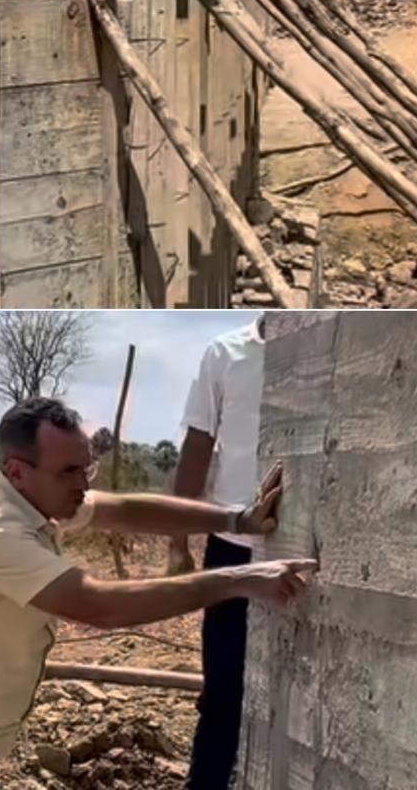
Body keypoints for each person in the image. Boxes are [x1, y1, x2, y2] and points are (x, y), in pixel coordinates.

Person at [0, 396, 315, 790]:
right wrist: (241, 580)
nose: (84, 484)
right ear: (18, 472)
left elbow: (122, 509)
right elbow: (99, 605)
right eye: (69, 472)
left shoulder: (24, 488)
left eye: (87, 467)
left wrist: (238, 520)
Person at [168, 316, 268, 789]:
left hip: (304, 545)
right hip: (233, 547)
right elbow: (198, 446)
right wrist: (178, 540)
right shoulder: (226, 353)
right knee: (225, 685)